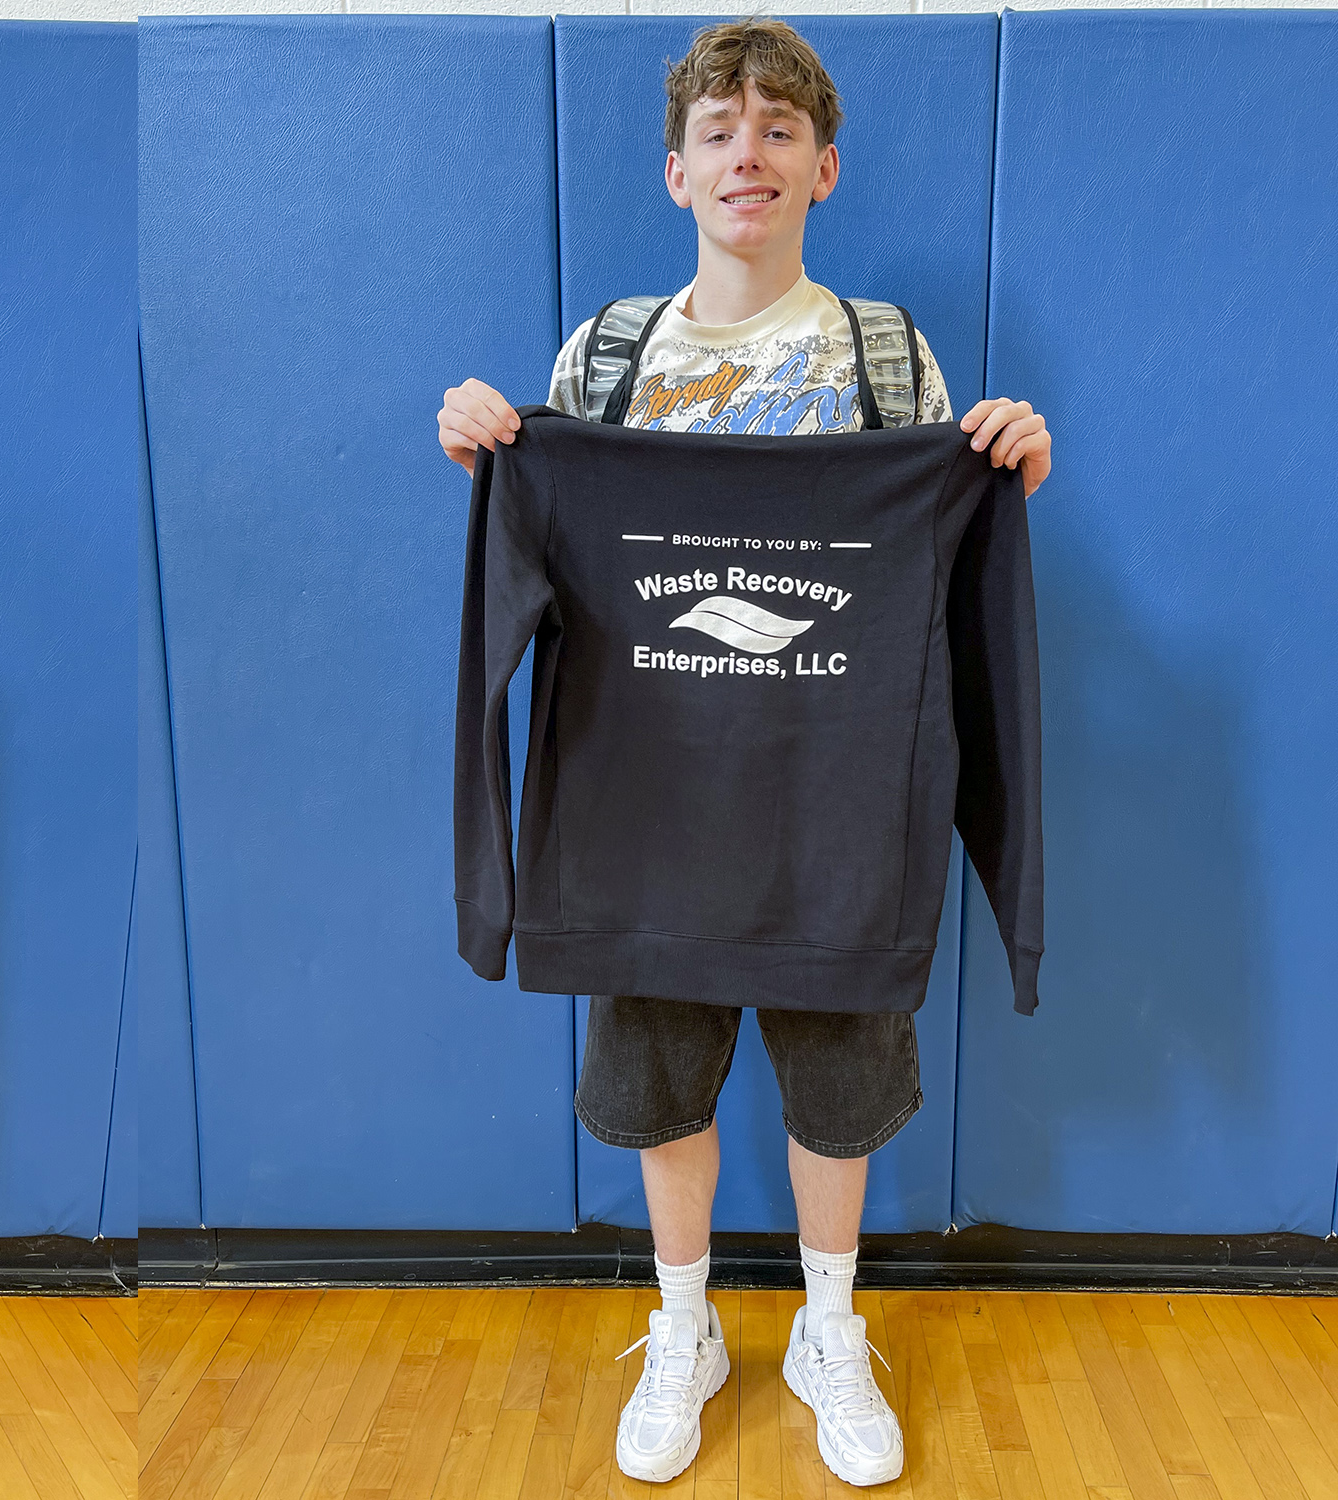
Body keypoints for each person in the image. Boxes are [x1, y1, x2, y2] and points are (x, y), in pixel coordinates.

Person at [435, 18, 1050, 1489]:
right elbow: (545, 543)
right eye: (719, 132)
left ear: (824, 167)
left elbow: (937, 553)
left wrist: (1005, 467)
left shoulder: (885, 353)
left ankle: (831, 1328)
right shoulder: (607, 355)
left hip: (839, 797)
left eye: (779, 131)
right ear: (676, 171)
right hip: (647, 795)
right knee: (659, 1081)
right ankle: (685, 1324)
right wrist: (493, 449)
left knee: (842, 1077)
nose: (748, 155)